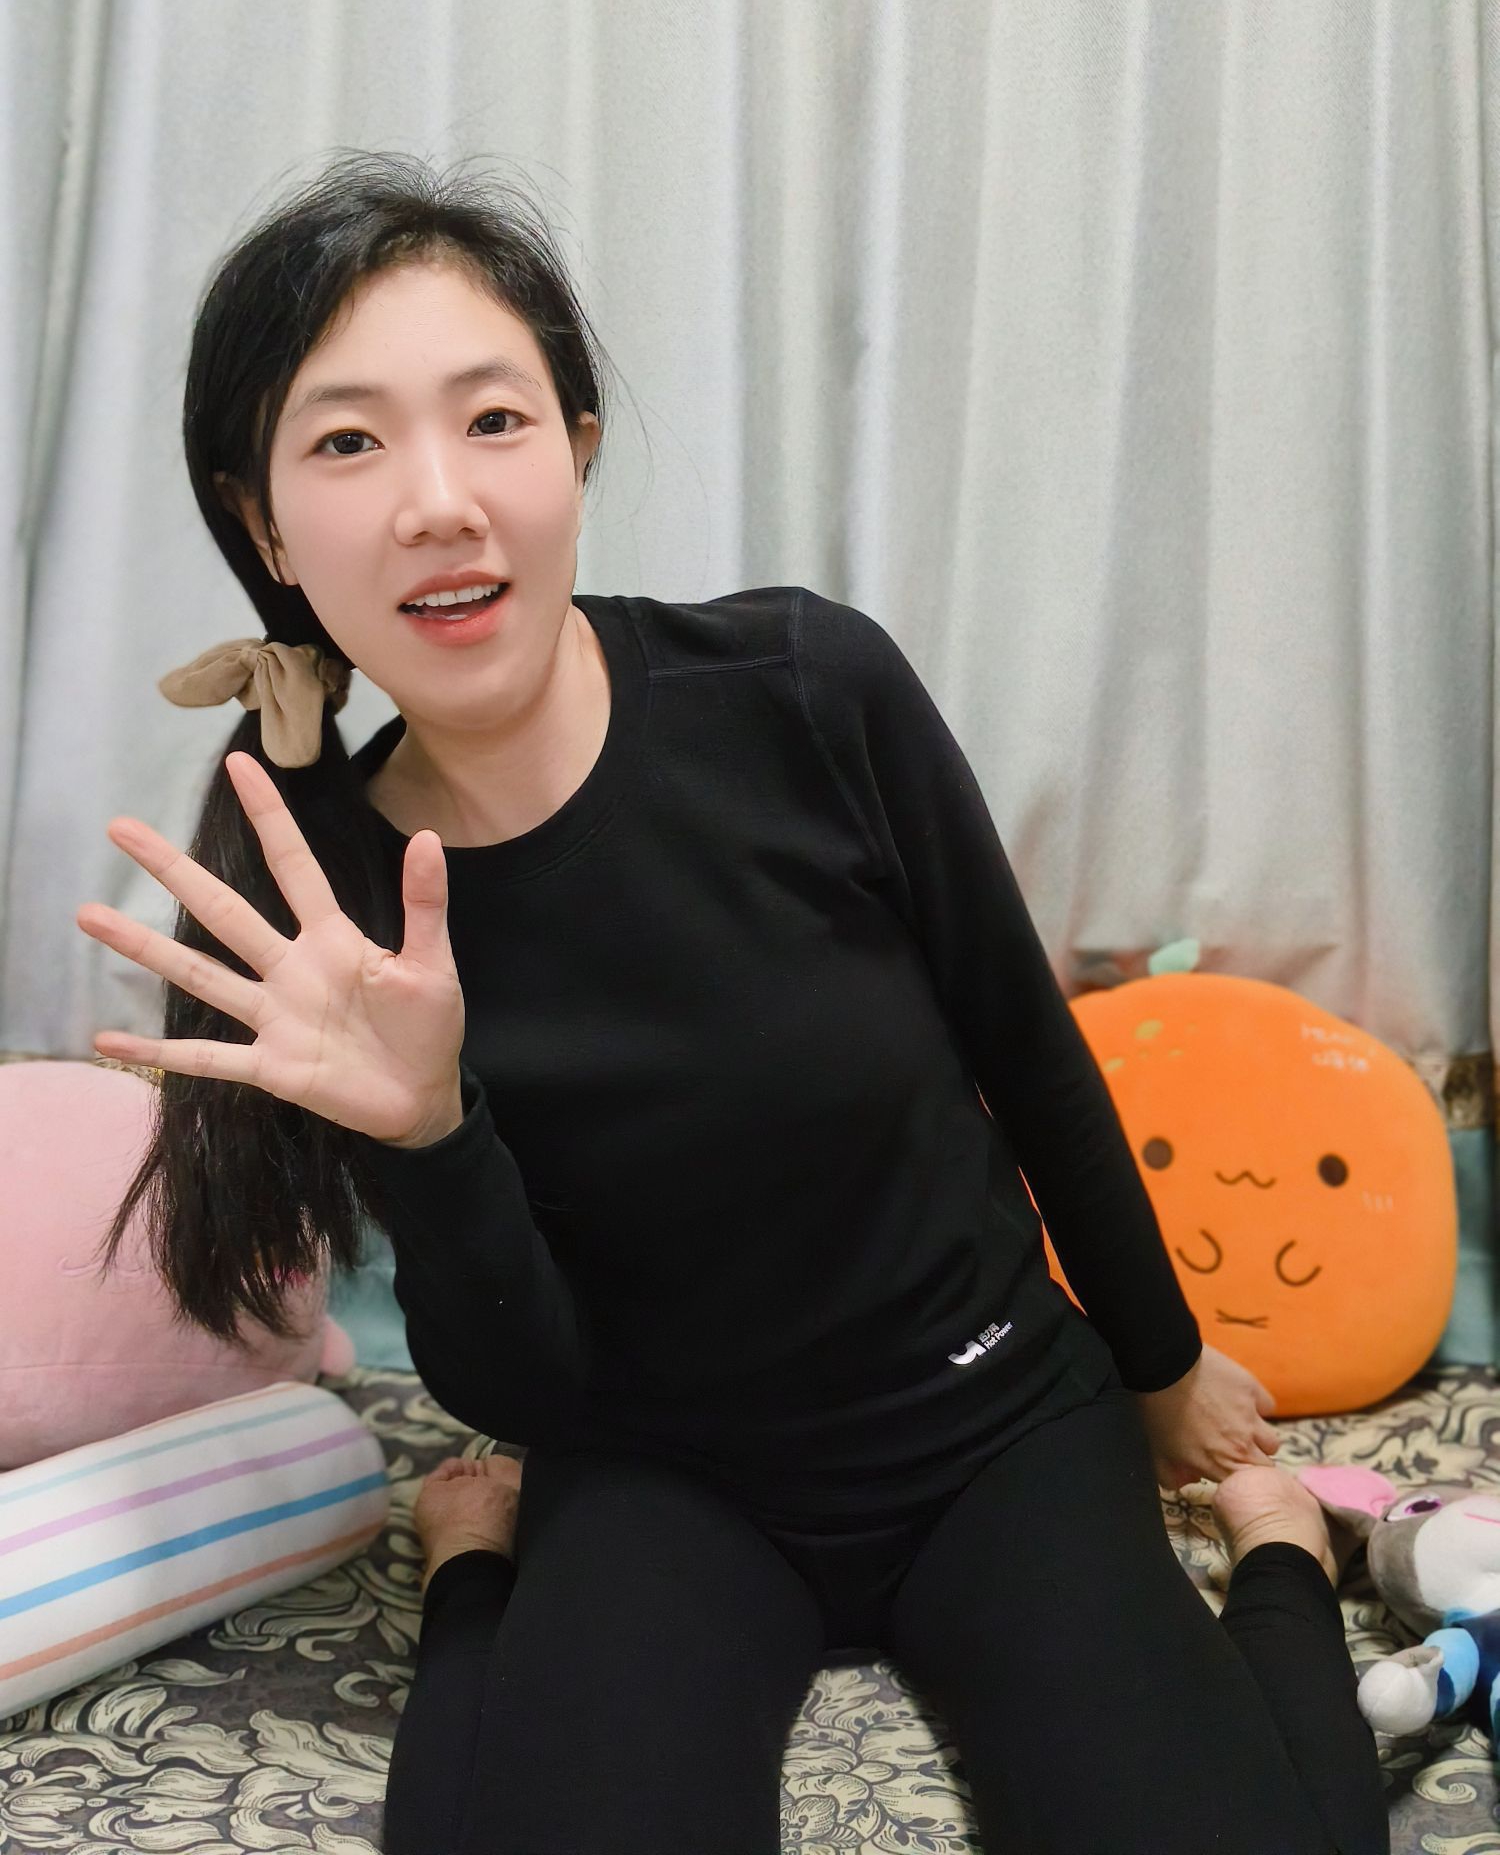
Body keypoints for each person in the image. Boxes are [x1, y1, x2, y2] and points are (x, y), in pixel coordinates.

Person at [74, 152, 1390, 1855]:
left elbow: (1028, 1050)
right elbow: (523, 1384)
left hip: (991, 1409)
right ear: (263, 523)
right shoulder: (329, 893)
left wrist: (1162, 1362)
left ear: (578, 448)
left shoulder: (804, 687)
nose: (437, 502)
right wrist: (427, 1130)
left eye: (493, 419)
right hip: (659, 1470)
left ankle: (1280, 1555)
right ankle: (477, 1578)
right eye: (347, 443)